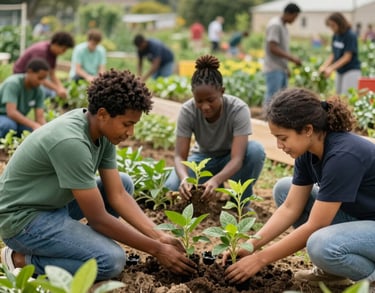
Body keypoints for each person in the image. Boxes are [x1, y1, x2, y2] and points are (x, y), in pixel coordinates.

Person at [0, 69, 196, 280]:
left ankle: (86, 246)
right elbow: (98, 218)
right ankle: (20, 260)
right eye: (127, 124)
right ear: (102, 114)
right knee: (111, 261)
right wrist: (156, 249)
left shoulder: (101, 131)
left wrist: (160, 236)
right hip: (22, 220)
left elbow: (118, 194)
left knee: (124, 183)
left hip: (51, 205)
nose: (130, 133)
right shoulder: (72, 142)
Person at [223, 87, 375, 287]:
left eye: (283, 138)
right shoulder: (308, 152)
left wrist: (260, 259)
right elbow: (290, 208)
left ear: (308, 130)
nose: (279, 145)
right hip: (363, 218)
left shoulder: (343, 156)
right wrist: (251, 244)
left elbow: (317, 225)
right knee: (284, 189)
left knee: (320, 244)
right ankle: (332, 273)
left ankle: (370, 279)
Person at [165, 55, 265, 203]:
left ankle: (239, 201)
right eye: (199, 101)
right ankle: (207, 192)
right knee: (172, 186)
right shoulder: (188, 110)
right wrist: (185, 179)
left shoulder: (238, 109)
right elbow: (180, 156)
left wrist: (216, 180)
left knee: (255, 150)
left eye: (211, 100)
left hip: (230, 158)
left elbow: (237, 159)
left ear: (222, 91)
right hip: (203, 159)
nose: (205, 106)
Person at [13, 31, 75, 99]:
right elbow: (38, 77)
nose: (63, 52)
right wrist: (57, 89)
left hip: (37, 77)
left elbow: (52, 74)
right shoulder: (41, 51)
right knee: (48, 93)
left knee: (53, 92)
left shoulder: (53, 53)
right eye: (63, 49)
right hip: (23, 76)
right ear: (56, 44)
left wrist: (61, 88)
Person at [263, 3, 302, 106]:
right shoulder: (275, 25)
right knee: (272, 97)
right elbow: (273, 48)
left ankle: (276, 121)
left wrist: (286, 68)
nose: (294, 20)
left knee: (281, 99)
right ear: (289, 13)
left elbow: (281, 49)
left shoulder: (283, 26)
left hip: (280, 68)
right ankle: (267, 120)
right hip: (273, 68)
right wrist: (292, 58)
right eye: (295, 17)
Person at [0, 58, 49, 138]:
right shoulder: (13, 84)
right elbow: (11, 112)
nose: (41, 82)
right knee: (8, 126)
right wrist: (34, 124)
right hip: (3, 115)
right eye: (39, 78)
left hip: (15, 120)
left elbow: (40, 118)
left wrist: (47, 130)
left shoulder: (39, 90)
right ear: (29, 72)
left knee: (33, 131)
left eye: (44, 79)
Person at [319, 12, 361, 95]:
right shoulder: (336, 35)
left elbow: (347, 57)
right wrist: (324, 66)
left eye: (333, 25)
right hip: (340, 70)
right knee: (338, 95)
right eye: (330, 26)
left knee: (346, 96)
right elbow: (334, 54)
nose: (332, 28)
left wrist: (331, 68)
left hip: (351, 70)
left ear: (340, 23)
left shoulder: (350, 35)